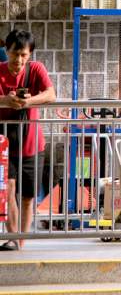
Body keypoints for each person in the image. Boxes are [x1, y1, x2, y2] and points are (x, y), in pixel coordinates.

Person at [0, 28, 55, 250]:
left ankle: (22, 242)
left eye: (24, 55)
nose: (19, 60)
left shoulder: (36, 69)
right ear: (6, 50)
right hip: (4, 143)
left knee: (28, 197)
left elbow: (51, 94)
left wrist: (28, 101)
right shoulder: (0, 71)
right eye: (15, 54)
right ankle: (13, 238)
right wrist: (5, 100)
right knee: (10, 188)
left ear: (30, 54)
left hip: (32, 143)